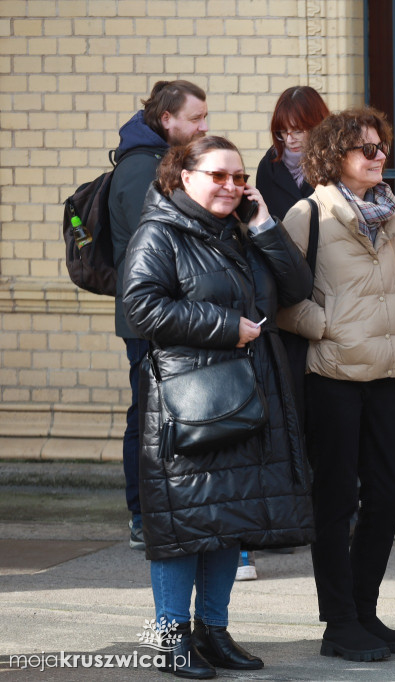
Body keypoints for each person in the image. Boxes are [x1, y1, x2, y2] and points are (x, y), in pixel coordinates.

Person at [122, 136, 316, 678]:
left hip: (248, 395)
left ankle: (213, 630)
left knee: (228, 519)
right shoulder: (158, 232)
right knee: (183, 525)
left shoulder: (241, 230)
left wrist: (263, 225)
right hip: (190, 404)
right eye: (218, 175)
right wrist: (227, 327)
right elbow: (141, 306)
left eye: (238, 177)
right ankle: (171, 637)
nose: (231, 186)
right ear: (183, 176)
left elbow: (298, 286)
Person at [276, 107, 395, 663]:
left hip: (382, 376)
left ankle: (364, 608)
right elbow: (282, 297)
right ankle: (339, 622)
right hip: (331, 376)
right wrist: (329, 329)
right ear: (336, 158)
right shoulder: (307, 215)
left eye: (381, 147)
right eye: (366, 149)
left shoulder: (387, 212)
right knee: (334, 503)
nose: (379, 155)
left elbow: (393, 288)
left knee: (386, 496)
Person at [109, 80, 208, 550]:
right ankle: (141, 516)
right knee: (146, 417)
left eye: (204, 117)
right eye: (195, 118)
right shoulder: (138, 170)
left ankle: (163, 510)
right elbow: (151, 253)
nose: (203, 126)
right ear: (166, 119)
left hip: (170, 313)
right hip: (149, 318)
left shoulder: (162, 162)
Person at [237, 85, 331, 581]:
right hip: (284, 300)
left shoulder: (337, 165)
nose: (291, 139)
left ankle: (323, 515)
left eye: (300, 129)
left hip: (332, 293)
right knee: (288, 404)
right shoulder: (267, 169)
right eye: (283, 131)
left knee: (323, 410)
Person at [255, 85, 330, 221]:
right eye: (283, 131)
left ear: (318, 126)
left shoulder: (335, 163)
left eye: (298, 131)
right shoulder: (268, 166)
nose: (289, 140)